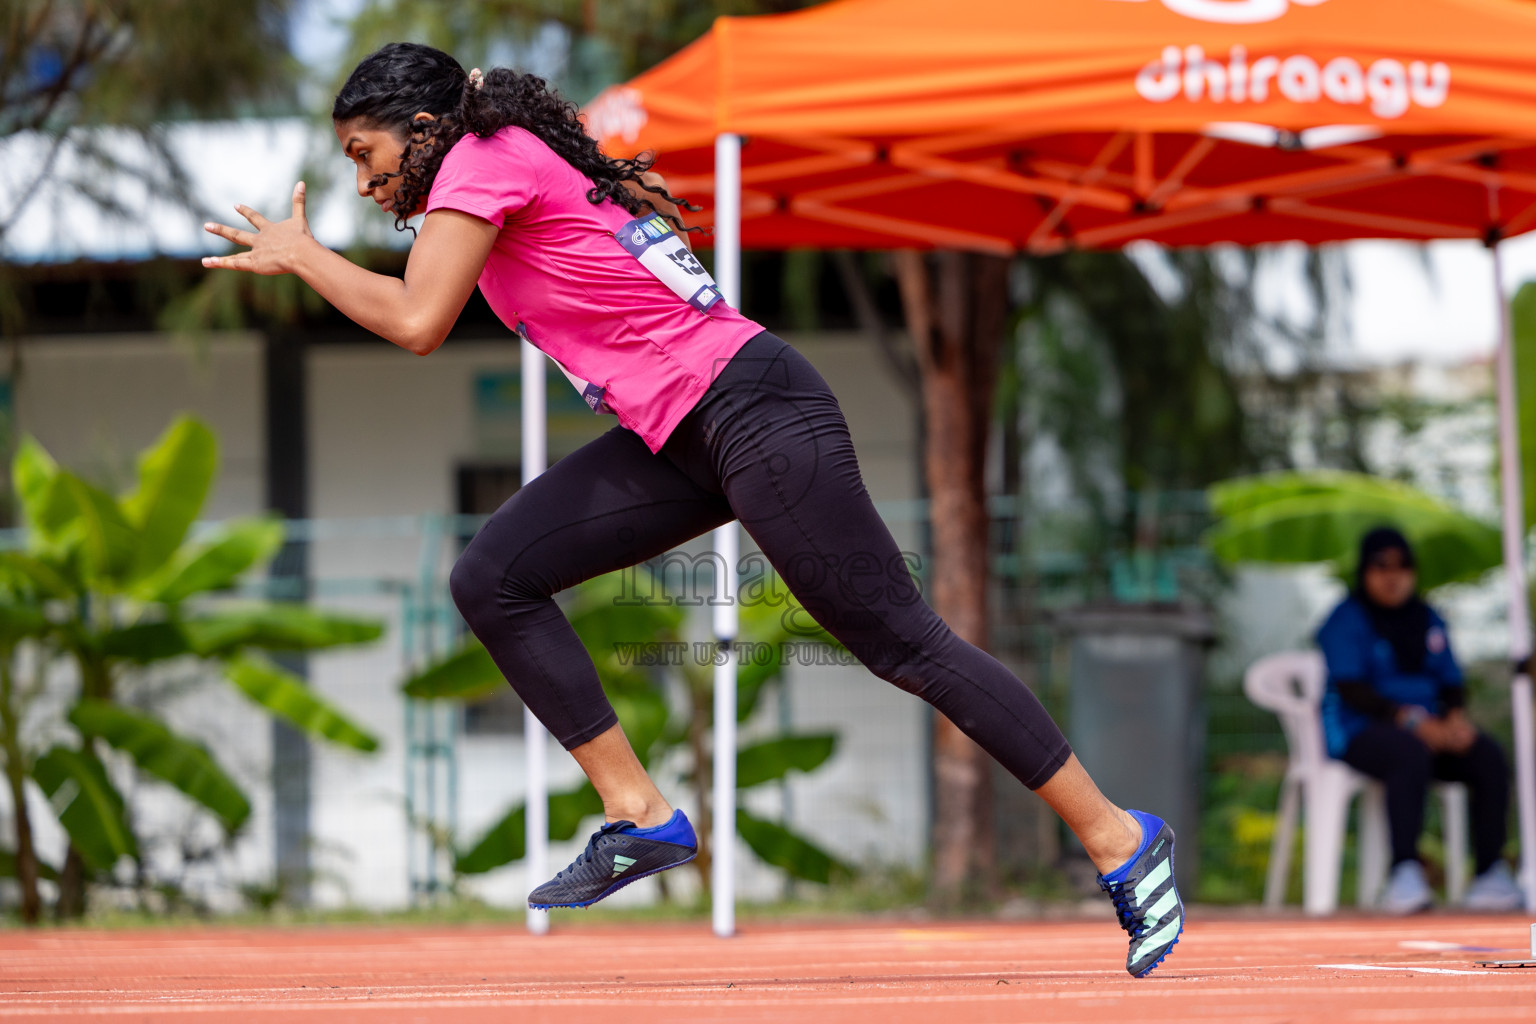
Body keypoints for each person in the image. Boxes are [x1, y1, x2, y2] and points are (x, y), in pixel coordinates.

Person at [202, 42, 1184, 976]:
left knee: (903, 642)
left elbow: (418, 321)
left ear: (422, 127)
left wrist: (302, 256)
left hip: (751, 409)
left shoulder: (482, 157)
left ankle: (1119, 835)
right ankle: (641, 813)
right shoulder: (504, 164)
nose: (365, 183)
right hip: (683, 430)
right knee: (492, 576)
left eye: (364, 156)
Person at [1317, 527, 1521, 913]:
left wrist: (1455, 722)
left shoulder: (1427, 618)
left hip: (1430, 732)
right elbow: (1352, 689)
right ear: (1364, 571)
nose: (1393, 575)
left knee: (1487, 753)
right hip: (1361, 731)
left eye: (1403, 565)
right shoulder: (1347, 618)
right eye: (1381, 566)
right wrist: (1414, 723)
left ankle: (1490, 872)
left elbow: (1451, 682)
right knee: (1408, 753)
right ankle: (1404, 872)